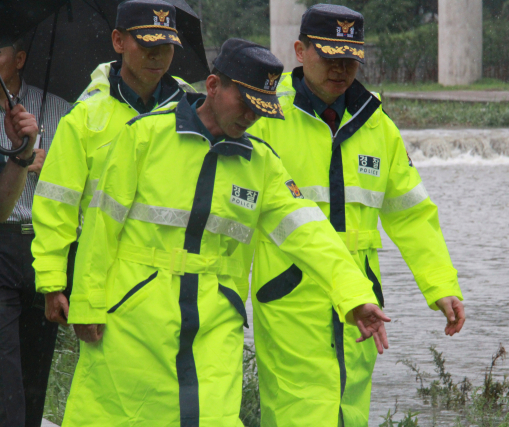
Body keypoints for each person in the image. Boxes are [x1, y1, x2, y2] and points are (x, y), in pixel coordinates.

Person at [62, 38, 389, 426]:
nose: (252, 116)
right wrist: (86, 302)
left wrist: (354, 295)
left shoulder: (261, 163)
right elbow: (102, 225)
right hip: (135, 318)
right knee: (122, 415)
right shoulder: (144, 137)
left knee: (214, 416)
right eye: (246, 104)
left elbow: (309, 233)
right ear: (214, 86)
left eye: (262, 109)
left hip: (216, 322)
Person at [247, 4, 466, 426]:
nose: (340, 68)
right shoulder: (267, 117)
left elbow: (412, 213)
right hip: (292, 298)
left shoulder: (377, 125)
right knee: (300, 413)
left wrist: (440, 285)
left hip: (363, 305)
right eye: (329, 56)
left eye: (349, 58)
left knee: (350, 410)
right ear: (299, 51)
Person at [31, 0, 192, 328]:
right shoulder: (85, 118)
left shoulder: (192, 113)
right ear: (118, 41)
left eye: (166, 46)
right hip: (105, 283)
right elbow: (56, 205)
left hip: (179, 284)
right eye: (147, 44)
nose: (157, 55)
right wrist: (52, 283)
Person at [0, 35, 70, 427]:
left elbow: (82, 185)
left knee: (35, 371)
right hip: (2, 241)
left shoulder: (59, 110)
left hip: (43, 244)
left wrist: (52, 168)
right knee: (4, 370)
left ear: (21, 58)